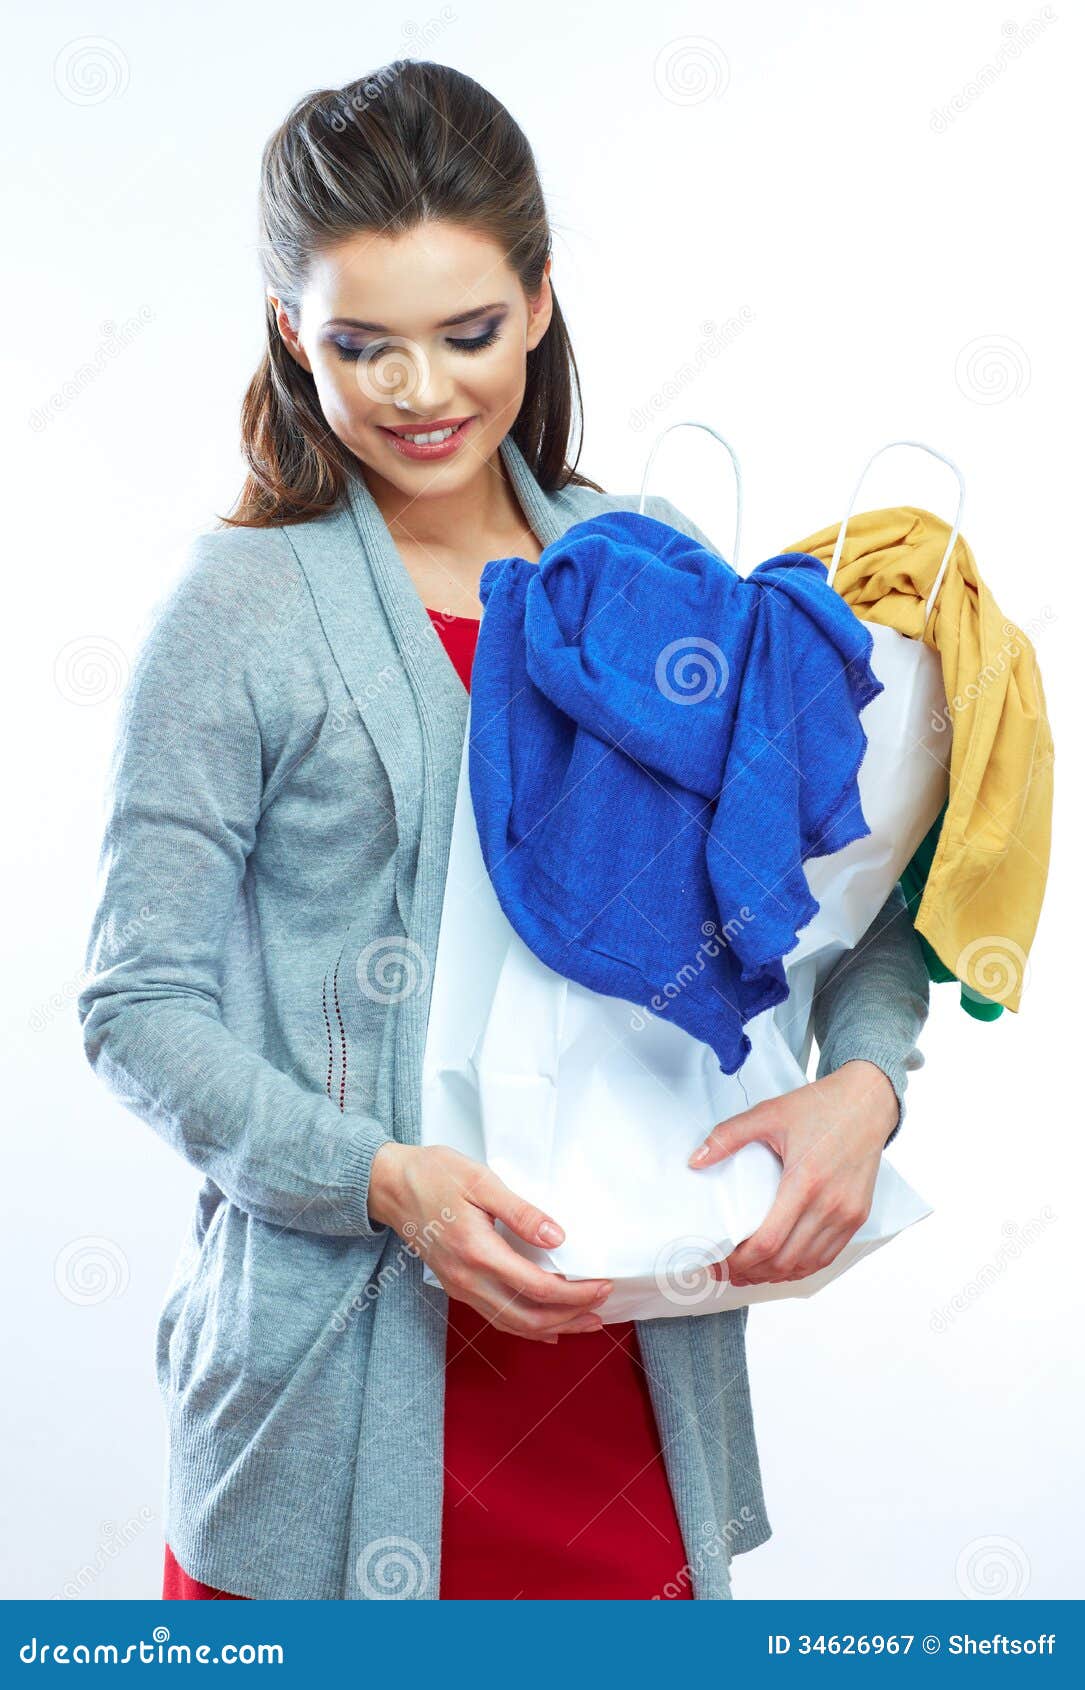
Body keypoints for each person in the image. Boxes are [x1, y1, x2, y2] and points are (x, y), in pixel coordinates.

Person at [79, 61, 930, 1603]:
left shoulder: (656, 570)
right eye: (361, 345)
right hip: (327, 1420)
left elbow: (833, 900)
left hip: (622, 1402)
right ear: (291, 332)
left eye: (466, 333)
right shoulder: (236, 615)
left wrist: (864, 1086)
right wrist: (381, 1176)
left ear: (538, 304)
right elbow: (137, 1006)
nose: (420, 392)